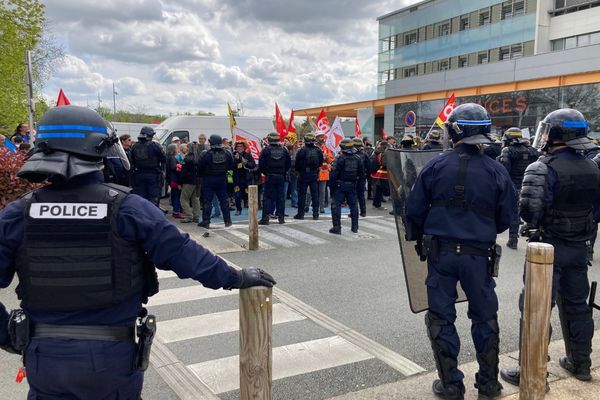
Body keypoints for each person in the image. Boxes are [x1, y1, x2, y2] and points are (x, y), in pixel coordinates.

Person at [0, 105, 277, 399]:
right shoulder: (126, 208)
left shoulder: (18, 214)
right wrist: (235, 277)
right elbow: (182, 252)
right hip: (110, 358)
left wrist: (10, 335)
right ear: (98, 150)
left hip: (44, 357)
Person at [406, 103, 515, 399]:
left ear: (454, 130)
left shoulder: (435, 165)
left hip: (440, 255)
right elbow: (506, 219)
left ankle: (451, 385)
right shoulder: (497, 170)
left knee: (441, 318)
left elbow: (413, 210)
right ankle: (489, 385)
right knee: (485, 318)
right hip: (479, 256)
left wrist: (417, 237)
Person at [500, 108, 600, 387]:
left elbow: (529, 211)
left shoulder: (543, 166)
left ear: (556, 134)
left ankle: (532, 371)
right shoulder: (593, 167)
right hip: (580, 248)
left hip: (547, 248)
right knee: (578, 307)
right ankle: (581, 363)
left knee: (537, 308)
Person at [497, 127, 540, 250]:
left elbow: (505, 171)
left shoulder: (507, 150)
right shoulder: (532, 150)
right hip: (529, 185)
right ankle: (533, 239)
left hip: (514, 186)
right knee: (532, 213)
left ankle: (513, 240)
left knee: (515, 214)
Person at [197, 134, 234, 228]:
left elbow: (200, 168)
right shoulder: (228, 153)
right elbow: (230, 170)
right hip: (222, 179)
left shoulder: (205, 153)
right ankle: (227, 220)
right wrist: (230, 183)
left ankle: (206, 221)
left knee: (207, 201)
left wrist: (202, 177)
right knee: (224, 201)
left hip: (209, 179)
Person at [329, 138, 363, 234]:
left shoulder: (339, 158)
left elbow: (333, 175)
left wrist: (332, 188)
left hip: (340, 186)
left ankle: (337, 227)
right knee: (353, 206)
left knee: (336, 206)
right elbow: (361, 175)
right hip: (352, 185)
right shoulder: (358, 158)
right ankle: (355, 227)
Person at [258, 132, 291, 225]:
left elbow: (261, 165)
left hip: (270, 176)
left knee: (268, 198)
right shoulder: (284, 149)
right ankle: (281, 218)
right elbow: (288, 164)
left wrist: (267, 173)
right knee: (281, 197)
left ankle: (265, 218)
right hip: (281, 176)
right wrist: (282, 172)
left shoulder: (265, 150)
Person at [130, 126, 166, 207]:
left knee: (140, 199)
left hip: (138, 175)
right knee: (153, 199)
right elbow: (164, 159)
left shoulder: (134, 146)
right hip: (153, 176)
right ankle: (153, 217)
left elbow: (131, 161)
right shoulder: (155, 146)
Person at [293, 133, 323, 220]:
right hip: (314, 174)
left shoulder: (301, 150)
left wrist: (299, 171)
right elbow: (320, 162)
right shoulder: (318, 150)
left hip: (304, 175)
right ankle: (315, 214)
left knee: (302, 195)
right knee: (315, 195)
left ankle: (300, 214)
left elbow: (297, 164)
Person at [232, 141, 256, 215]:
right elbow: (230, 166)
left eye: (241, 147)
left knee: (247, 194)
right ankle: (238, 209)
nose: (239, 148)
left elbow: (253, 165)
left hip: (246, 179)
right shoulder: (233, 155)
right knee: (237, 195)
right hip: (236, 179)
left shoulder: (248, 155)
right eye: (238, 147)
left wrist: (246, 163)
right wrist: (236, 160)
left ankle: (248, 204)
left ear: (244, 147)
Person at [179, 143, 201, 223]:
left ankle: (189, 216)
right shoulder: (198, 157)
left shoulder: (187, 158)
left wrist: (179, 182)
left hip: (188, 181)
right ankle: (196, 216)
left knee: (183, 199)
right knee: (195, 199)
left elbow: (183, 172)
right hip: (197, 181)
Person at [352, 137, 370, 217]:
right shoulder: (364, 154)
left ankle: (354, 212)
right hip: (361, 177)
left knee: (353, 195)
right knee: (361, 195)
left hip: (353, 178)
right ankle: (363, 212)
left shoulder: (352, 154)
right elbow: (369, 166)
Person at [165, 143, 183, 218]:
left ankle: (176, 210)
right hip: (175, 179)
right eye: (176, 148)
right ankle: (176, 211)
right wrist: (180, 167)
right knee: (177, 195)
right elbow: (173, 168)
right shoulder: (172, 158)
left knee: (174, 195)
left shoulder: (167, 157)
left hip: (171, 178)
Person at [371, 141, 390, 210]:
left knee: (378, 189)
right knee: (380, 190)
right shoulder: (384, 153)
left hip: (378, 173)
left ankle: (376, 204)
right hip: (383, 174)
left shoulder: (377, 152)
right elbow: (384, 164)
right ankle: (377, 205)